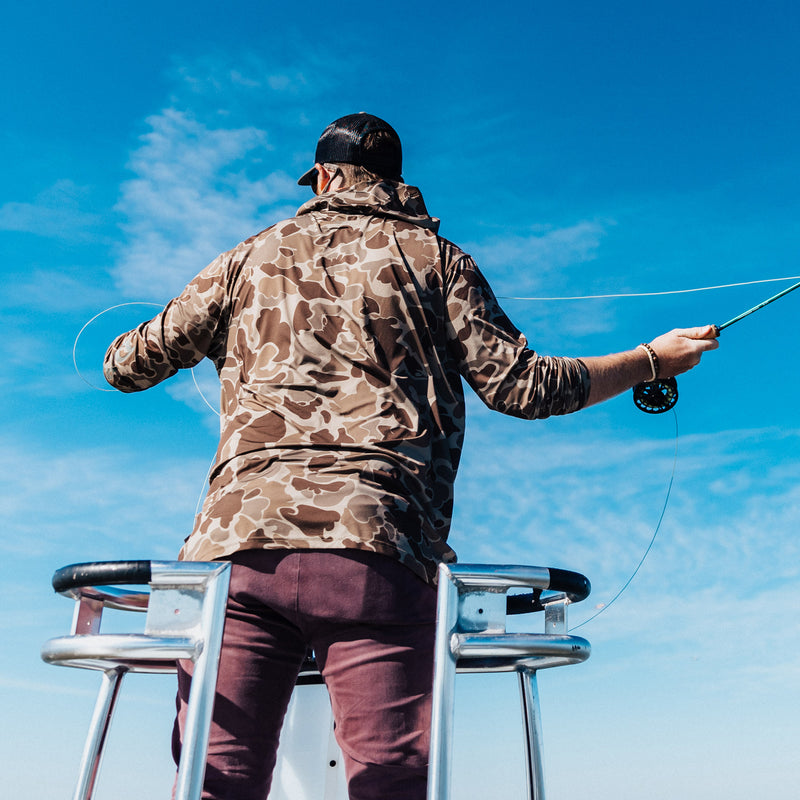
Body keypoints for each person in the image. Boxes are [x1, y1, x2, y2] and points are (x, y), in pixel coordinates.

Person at [104, 112, 718, 800]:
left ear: (326, 176)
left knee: (216, 783)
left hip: (238, 556)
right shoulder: (440, 261)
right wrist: (649, 361)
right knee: (391, 785)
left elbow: (124, 366)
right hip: (377, 551)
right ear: (393, 180)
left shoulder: (247, 255)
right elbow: (525, 388)